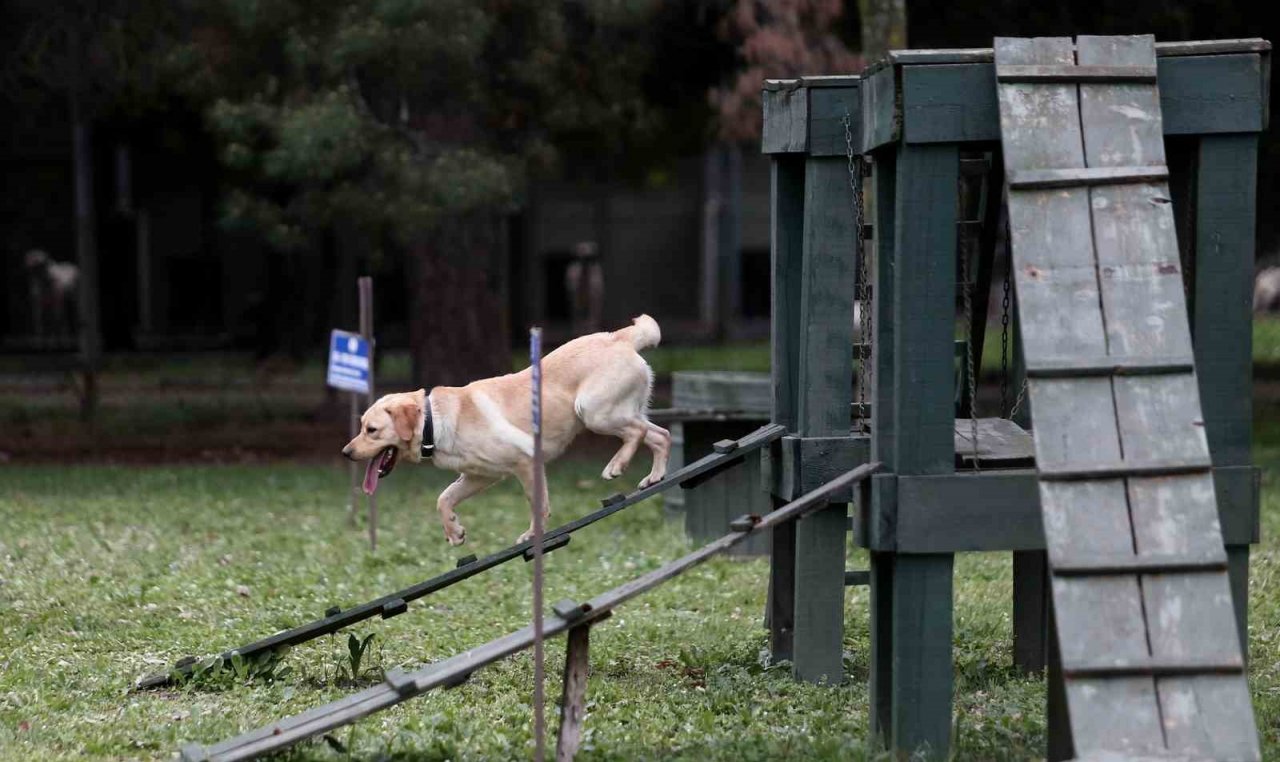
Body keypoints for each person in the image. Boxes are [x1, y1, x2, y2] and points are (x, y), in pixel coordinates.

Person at [565, 241, 604, 335]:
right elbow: (570, 285)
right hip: (578, 298)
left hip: (593, 300)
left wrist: (596, 298)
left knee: (592, 322)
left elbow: (599, 287)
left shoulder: (596, 269)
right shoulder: (573, 269)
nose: (586, 259)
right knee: (578, 322)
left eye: (588, 257)